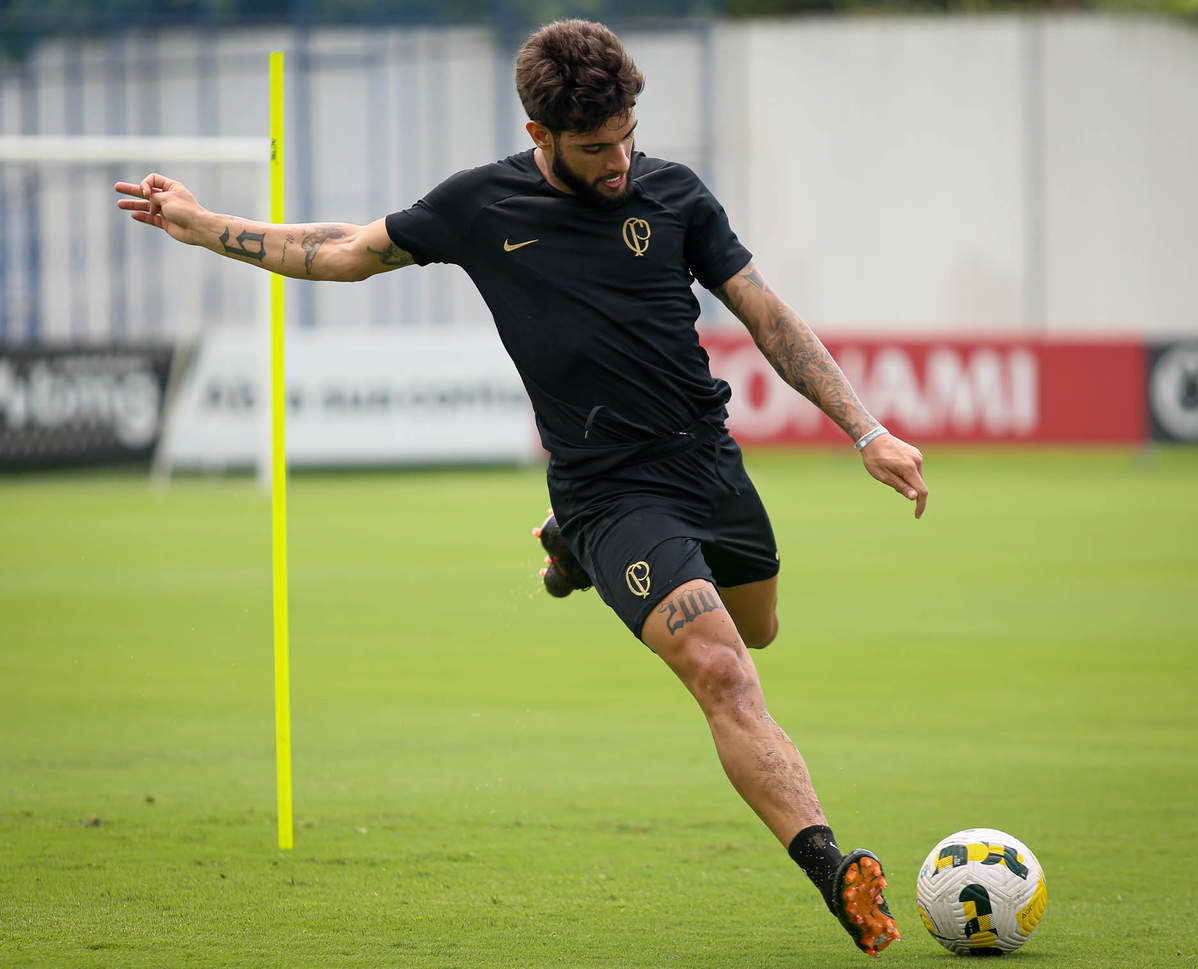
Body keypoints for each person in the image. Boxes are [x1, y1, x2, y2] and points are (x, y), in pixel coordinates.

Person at [116, 19, 926, 957]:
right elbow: (341, 248)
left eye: (628, 134)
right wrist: (204, 225)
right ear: (540, 136)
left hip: (707, 463)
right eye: (596, 147)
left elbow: (768, 314)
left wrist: (865, 429)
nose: (620, 159)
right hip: (610, 489)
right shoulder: (480, 205)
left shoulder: (673, 195)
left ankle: (569, 552)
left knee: (759, 629)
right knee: (721, 670)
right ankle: (836, 872)